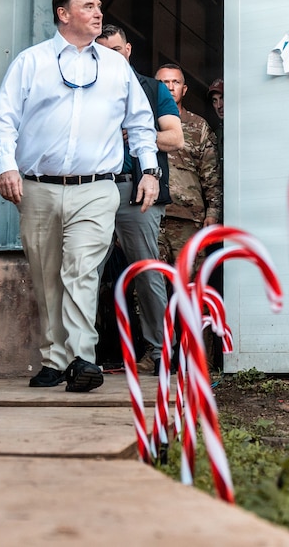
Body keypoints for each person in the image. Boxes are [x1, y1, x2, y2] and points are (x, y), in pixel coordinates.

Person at [0, 0, 161, 392]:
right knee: (47, 275)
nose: (98, 12)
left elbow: (140, 122)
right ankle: (55, 358)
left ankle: (84, 358)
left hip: (96, 188)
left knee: (81, 270)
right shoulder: (32, 62)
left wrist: (150, 171)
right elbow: (4, 120)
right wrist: (6, 167)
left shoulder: (117, 66)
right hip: (37, 187)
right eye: (88, 6)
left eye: (99, 6)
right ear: (63, 14)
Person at [96, 25, 183, 374]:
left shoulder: (152, 88)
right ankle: (80, 355)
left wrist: (134, 132)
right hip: (94, 188)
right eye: (102, 51)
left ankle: (162, 353)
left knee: (147, 272)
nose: (109, 57)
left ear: (128, 50)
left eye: (115, 50)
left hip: (138, 189)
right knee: (88, 272)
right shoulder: (87, 88)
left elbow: (175, 138)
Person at [154, 64, 223, 266]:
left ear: (184, 89)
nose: (170, 87)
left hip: (188, 218)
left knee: (189, 286)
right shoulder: (141, 122)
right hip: (150, 216)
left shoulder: (198, 126)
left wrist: (212, 213)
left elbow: (211, 174)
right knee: (149, 287)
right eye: (163, 82)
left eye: (175, 82)